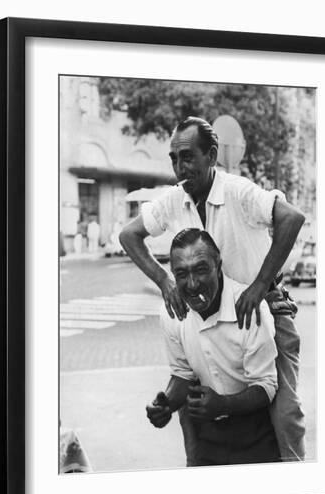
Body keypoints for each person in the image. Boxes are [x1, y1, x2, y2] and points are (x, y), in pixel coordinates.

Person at [120, 116, 306, 461]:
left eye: (188, 157)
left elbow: (291, 218)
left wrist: (260, 284)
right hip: (203, 314)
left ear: (212, 156)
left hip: (258, 308)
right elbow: (129, 235)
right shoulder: (174, 199)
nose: (180, 168)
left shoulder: (237, 190)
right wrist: (164, 281)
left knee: (284, 415)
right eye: (174, 159)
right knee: (191, 409)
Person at [146, 229, 280, 466]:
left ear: (218, 266)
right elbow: (182, 375)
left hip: (256, 435)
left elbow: (266, 386)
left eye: (201, 270)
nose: (192, 283)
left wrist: (223, 404)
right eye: (181, 274)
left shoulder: (250, 308)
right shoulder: (172, 314)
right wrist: (166, 404)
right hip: (206, 436)